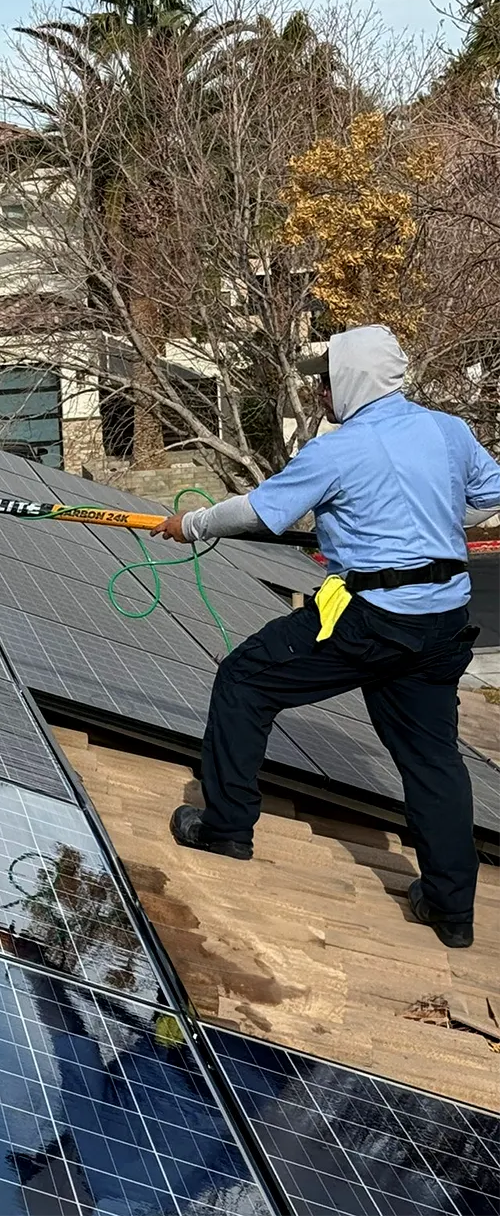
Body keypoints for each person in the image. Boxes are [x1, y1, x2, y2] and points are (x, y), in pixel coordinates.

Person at [152, 325, 500, 948]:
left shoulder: (339, 449)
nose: (319, 389)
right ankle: (452, 912)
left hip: (372, 617)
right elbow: (491, 494)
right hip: (443, 621)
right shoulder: (448, 431)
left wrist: (191, 524)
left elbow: (260, 512)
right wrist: (432, 520)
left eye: (325, 376)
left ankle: (226, 828)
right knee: (433, 759)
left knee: (244, 680)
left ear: (352, 379)